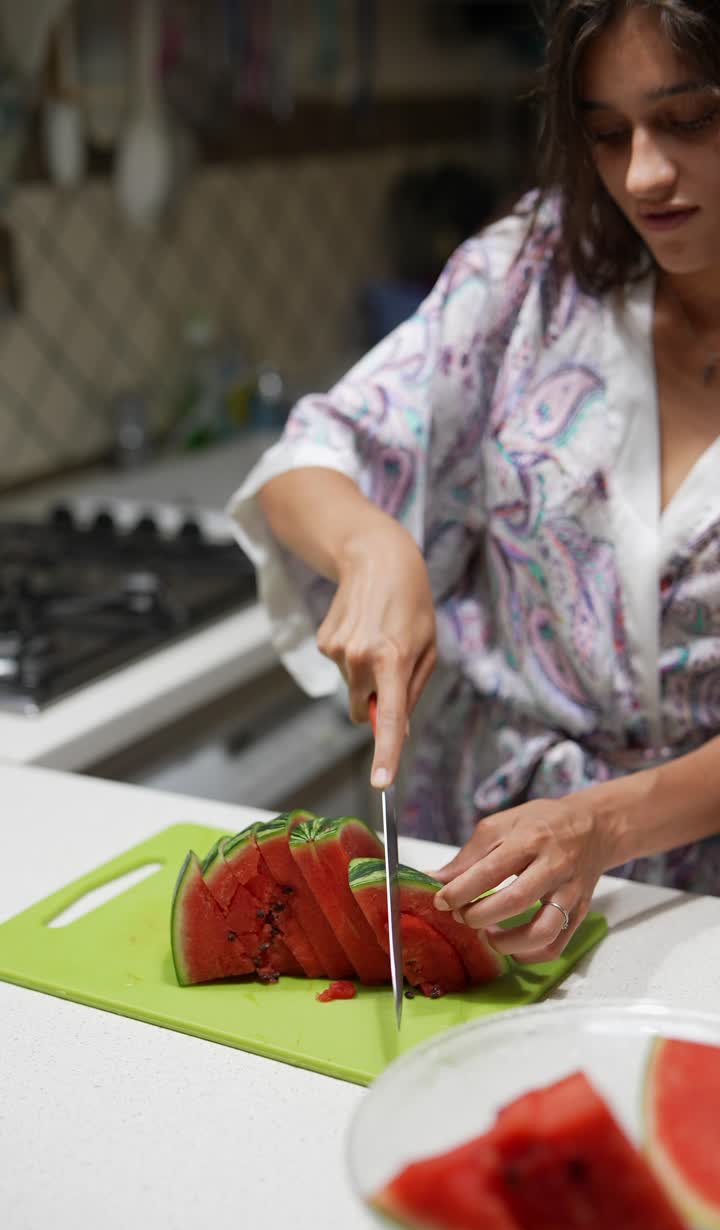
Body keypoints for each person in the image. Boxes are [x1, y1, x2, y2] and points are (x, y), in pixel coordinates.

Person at [228, 0, 720, 965]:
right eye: (607, 133)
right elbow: (309, 459)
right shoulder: (537, 269)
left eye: (691, 118)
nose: (643, 174)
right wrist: (376, 545)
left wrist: (603, 825)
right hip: (486, 858)